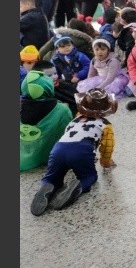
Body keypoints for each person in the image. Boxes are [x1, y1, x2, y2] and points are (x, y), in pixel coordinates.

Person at [29, 88, 118, 216]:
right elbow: (107, 148)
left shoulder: (74, 120)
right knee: (89, 176)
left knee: (52, 177)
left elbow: (69, 136)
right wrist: (105, 162)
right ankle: (79, 185)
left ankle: (47, 185)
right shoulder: (105, 125)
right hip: (81, 152)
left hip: (58, 150)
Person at [20, 71, 73, 172]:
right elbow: (68, 136)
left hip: (23, 159)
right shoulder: (61, 109)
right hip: (48, 157)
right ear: (48, 87)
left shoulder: (20, 107)